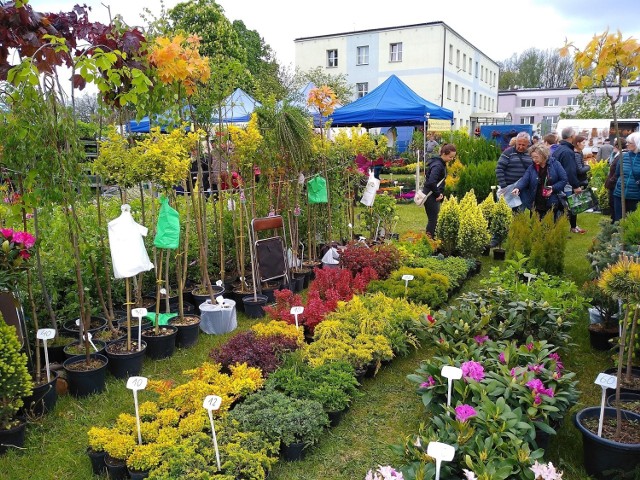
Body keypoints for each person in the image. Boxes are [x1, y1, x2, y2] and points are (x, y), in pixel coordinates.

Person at [511, 144, 567, 220]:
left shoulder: (556, 164)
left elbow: (564, 180)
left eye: (536, 157)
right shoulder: (532, 167)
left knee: (550, 225)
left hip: (551, 200)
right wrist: (518, 188)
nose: (534, 159)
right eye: (532, 157)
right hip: (536, 201)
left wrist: (553, 188)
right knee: (535, 225)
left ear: (543, 155)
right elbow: (524, 179)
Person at [554, 126, 586, 233]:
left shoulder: (559, 149)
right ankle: (570, 227)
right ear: (572, 136)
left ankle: (568, 226)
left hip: (558, 183)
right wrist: (576, 186)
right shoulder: (567, 152)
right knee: (571, 206)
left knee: (561, 207)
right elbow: (570, 171)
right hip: (565, 184)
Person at [423, 143, 456, 237]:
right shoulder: (438, 165)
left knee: (434, 219)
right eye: (450, 157)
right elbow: (431, 181)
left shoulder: (439, 163)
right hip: (431, 196)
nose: (452, 159)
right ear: (444, 154)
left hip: (432, 194)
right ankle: (430, 242)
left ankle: (431, 240)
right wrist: (438, 194)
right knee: (433, 220)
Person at [612, 132, 640, 221]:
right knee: (619, 221)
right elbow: (617, 173)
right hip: (619, 194)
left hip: (635, 196)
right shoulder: (623, 156)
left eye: (630, 143)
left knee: (632, 222)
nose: (627, 144)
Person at [604, 139, 626, 223]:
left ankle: (615, 223)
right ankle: (613, 222)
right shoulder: (616, 155)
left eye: (615, 144)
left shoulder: (621, 156)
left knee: (615, 205)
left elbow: (616, 173)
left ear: (617, 146)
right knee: (613, 204)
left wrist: (610, 182)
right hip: (614, 184)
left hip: (615, 184)